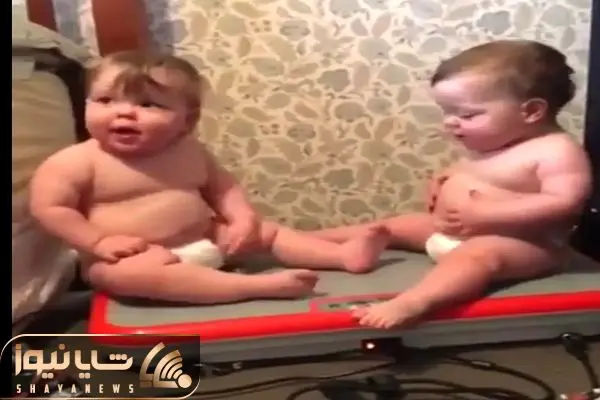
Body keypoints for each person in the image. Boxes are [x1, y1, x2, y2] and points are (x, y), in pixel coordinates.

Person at [29, 51, 391, 305]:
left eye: (148, 104)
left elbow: (223, 187)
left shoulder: (189, 150)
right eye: (105, 101)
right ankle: (251, 287)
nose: (124, 113)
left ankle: (342, 255)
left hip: (207, 239)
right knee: (125, 276)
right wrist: (98, 242)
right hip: (131, 257)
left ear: (187, 120)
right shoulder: (76, 161)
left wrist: (243, 218)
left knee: (270, 232)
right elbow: (50, 208)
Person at [310, 40, 593, 329]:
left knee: (478, 256)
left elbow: (564, 202)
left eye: (467, 115)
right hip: (450, 232)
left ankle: (414, 301)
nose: (450, 122)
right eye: (446, 111)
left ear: (531, 111)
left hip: (522, 246)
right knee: (400, 224)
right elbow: (482, 172)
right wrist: (446, 179)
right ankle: (310, 242)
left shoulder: (556, 150)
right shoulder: (496, 142)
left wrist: (487, 215)